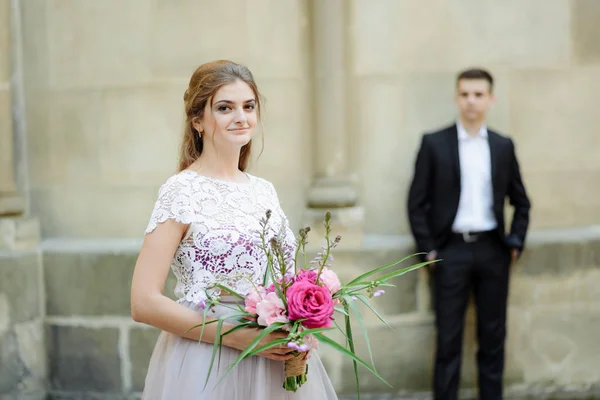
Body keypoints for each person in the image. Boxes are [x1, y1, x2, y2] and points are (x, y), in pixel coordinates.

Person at [131, 60, 338, 400]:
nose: (241, 117)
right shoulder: (181, 191)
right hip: (207, 360)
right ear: (198, 120)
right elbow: (143, 302)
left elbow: (279, 277)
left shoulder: (263, 190)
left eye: (249, 106)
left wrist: (299, 320)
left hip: (271, 361)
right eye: (225, 107)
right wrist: (236, 337)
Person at [407, 68, 531, 400]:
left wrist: (515, 242)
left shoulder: (503, 146)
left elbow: (521, 201)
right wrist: (429, 251)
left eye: (478, 94)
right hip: (450, 252)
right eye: (465, 94)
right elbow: (416, 203)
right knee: (448, 340)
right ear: (456, 97)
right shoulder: (434, 143)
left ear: (491, 99)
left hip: (493, 249)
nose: (471, 101)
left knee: (493, 339)